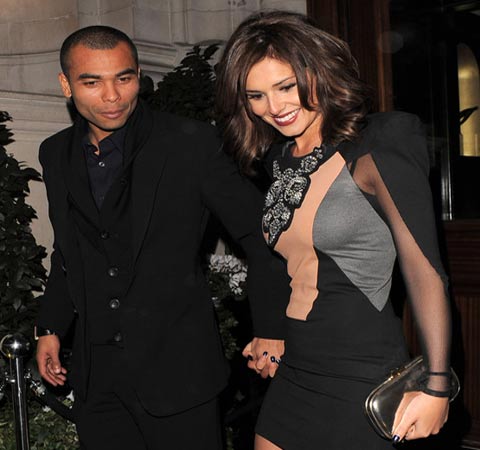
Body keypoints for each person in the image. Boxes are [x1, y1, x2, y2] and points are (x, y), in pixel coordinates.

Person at [34, 25, 289, 450]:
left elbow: (262, 234)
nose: (112, 96)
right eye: (92, 82)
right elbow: (68, 250)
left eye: (124, 78)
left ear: (139, 77)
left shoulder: (190, 144)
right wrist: (50, 327)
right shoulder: (55, 152)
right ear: (66, 85)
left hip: (179, 372)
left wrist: (271, 328)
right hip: (98, 378)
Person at [215, 10, 453, 450]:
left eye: (286, 86)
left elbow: (424, 268)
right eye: (256, 96)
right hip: (297, 368)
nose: (275, 107)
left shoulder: (377, 145)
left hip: (360, 372)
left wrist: (437, 384)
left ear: (318, 71)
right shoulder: (280, 159)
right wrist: (273, 332)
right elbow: (287, 264)